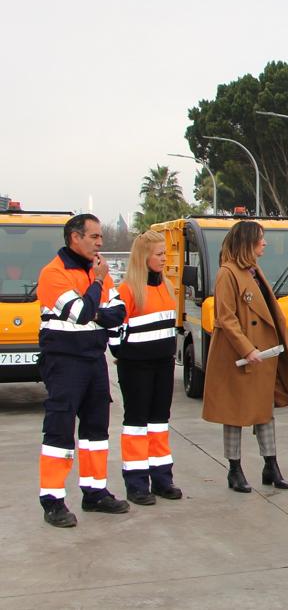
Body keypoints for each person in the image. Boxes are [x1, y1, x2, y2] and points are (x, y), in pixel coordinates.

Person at [35, 213, 129, 527]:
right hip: (64, 362)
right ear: (75, 237)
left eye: (100, 237)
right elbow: (82, 312)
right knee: (60, 431)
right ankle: (52, 501)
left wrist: (96, 309)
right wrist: (97, 289)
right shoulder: (53, 274)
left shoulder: (97, 269)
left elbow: (118, 311)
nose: (100, 242)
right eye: (94, 236)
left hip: (93, 359)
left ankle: (95, 492)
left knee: (96, 431)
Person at [201, 220, 288, 493]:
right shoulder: (227, 273)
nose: (265, 243)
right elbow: (225, 317)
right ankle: (234, 470)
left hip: (264, 353)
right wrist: (246, 348)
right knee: (234, 412)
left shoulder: (253, 271)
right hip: (240, 356)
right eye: (261, 239)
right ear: (247, 242)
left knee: (264, 411)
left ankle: (271, 465)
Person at [109, 230, 181, 506]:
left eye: (165, 253)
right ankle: (137, 483)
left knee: (159, 423)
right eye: (160, 254)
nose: (165, 259)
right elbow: (114, 331)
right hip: (136, 368)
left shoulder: (165, 285)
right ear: (144, 257)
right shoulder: (127, 290)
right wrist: (125, 354)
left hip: (163, 366)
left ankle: (162, 478)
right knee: (137, 425)